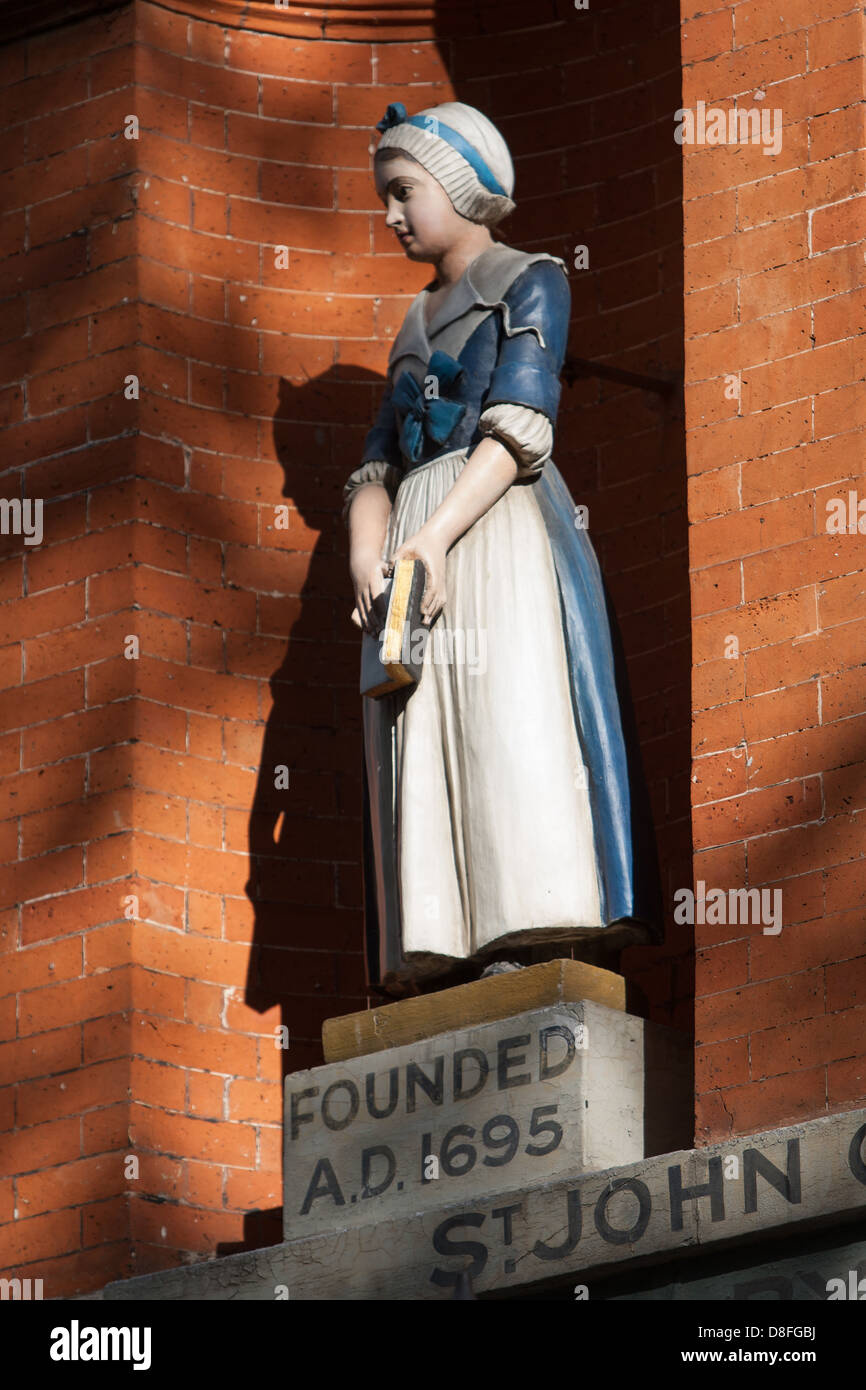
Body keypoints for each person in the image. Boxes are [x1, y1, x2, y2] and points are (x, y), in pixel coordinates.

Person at [343, 101, 660, 996]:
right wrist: (371, 558)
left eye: (403, 192)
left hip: (495, 525)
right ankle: (445, 942)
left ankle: (536, 915)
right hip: (414, 544)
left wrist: (436, 539)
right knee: (425, 734)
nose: (393, 215)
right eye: (386, 197)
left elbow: (521, 423)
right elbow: (371, 466)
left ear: (454, 186)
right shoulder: (409, 324)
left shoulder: (533, 279)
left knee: (508, 719)